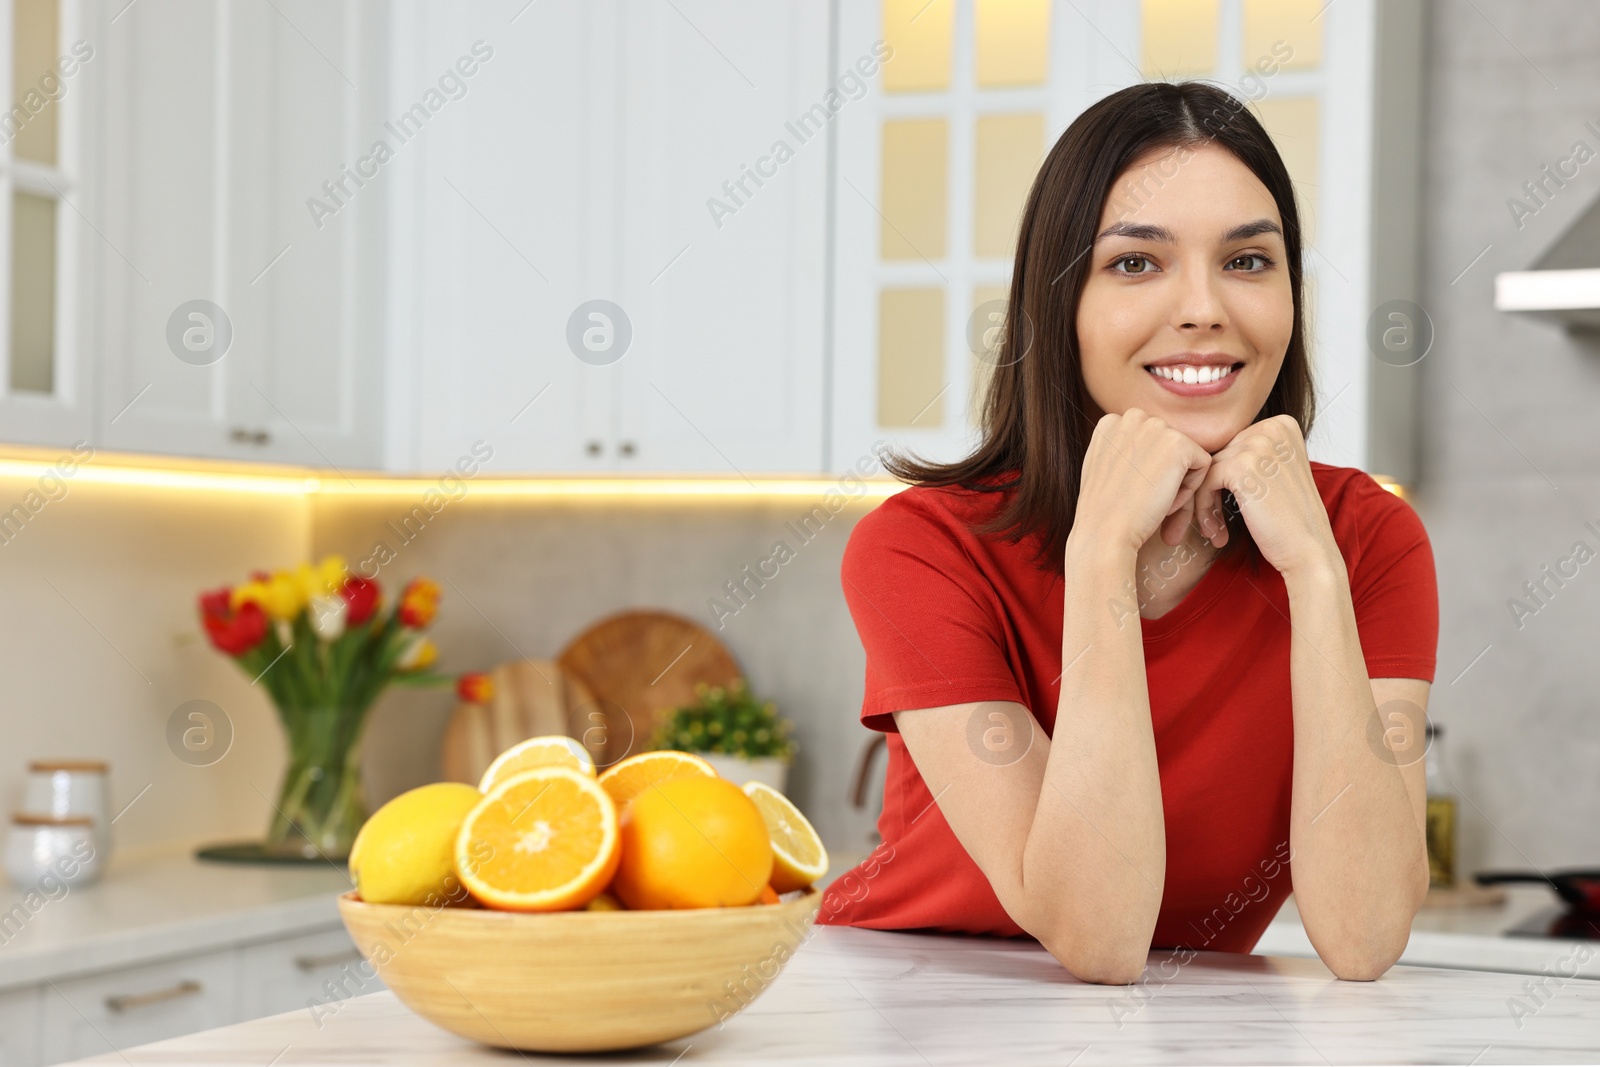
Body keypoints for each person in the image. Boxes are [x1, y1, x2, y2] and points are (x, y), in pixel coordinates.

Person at [817, 80, 1438, 986]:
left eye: (1249, 262)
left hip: (1180, 1023)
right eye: (1137, 264)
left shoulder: (1367, 539)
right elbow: (1098, 934)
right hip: (905, 997)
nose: (1204, 309)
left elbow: (1366, 931)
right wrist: (1102, 554)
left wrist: (1313, 571)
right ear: (1057, 303)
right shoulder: (922, 548)